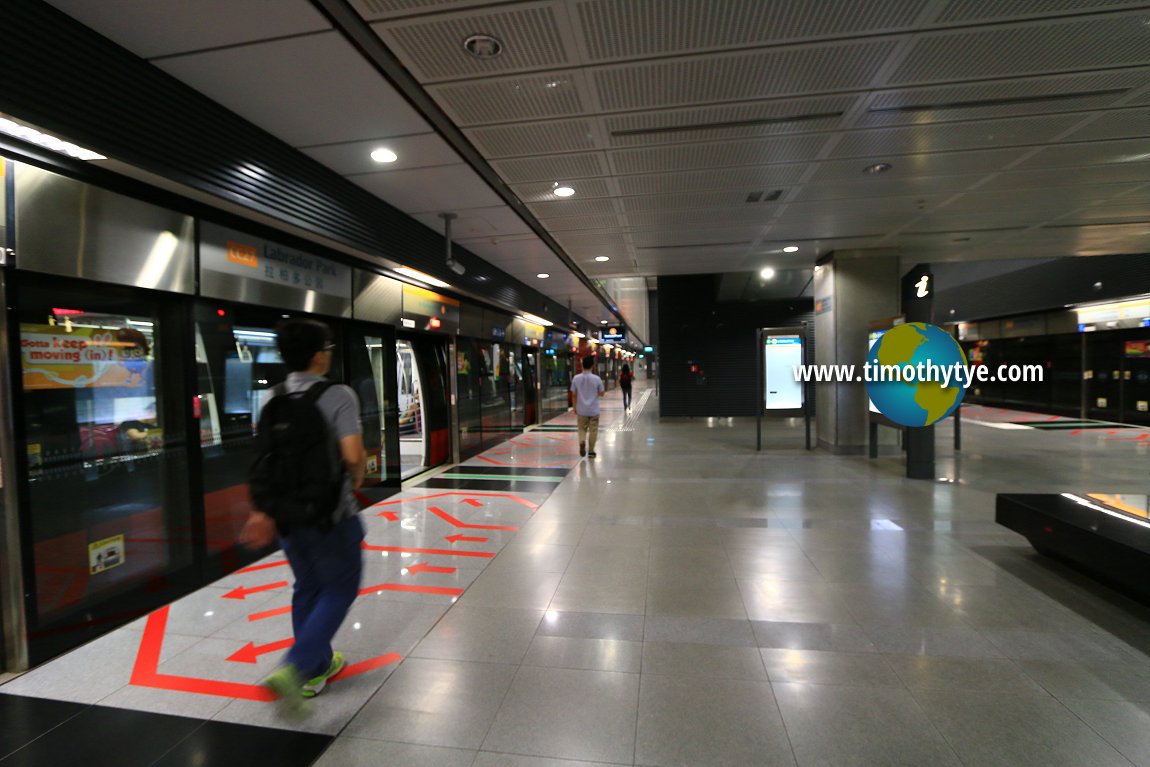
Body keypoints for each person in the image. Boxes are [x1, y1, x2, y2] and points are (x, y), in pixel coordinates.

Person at [239, 318, 367, 717]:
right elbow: (352, 457)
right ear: (316, 356)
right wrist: (356, 481)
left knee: (307, 586)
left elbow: (265, 458)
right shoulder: (339, 394)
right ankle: (296, 668)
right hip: (332, 515)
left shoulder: (270, 397)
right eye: (326, 348)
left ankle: (316, 668)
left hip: (288, 518)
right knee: (339, 589)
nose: (328, 354)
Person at [570, 354, 605, 458]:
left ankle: (582, 442)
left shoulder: (576, 378)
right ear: (592, 366)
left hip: (581, 410)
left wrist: (574, 407)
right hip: (594, 410)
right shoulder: (597, 379)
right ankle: (591, 451)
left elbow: (573, 394)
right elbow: (602, 393)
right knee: (593, 430)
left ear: (582, 365)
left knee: (581, 429)